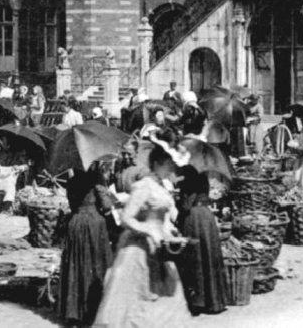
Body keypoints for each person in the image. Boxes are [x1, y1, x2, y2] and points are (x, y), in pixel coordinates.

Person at [94, 129, 192, 327]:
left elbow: (162, 217)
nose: (173, 167)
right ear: (159, 162)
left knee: (165, 301)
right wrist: (148, 230)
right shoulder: (144, 186)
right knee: (133, 304)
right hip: (137, 250)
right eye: (170, 162)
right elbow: (126, 218)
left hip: (159, 250)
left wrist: (170, 230)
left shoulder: (161, 186)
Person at [59, 161, 115, 326]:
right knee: (95, 265)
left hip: (76, 222)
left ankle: (74, 311)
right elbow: (106, 206)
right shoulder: (96, 179)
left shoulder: (72, 181)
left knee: (76, 265)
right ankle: (92, 310)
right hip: (93, 224)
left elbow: (72, 205)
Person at [175, 166, 227, 315]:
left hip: (194, 218)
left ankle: (199, 301)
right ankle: (214, 300)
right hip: (206, 215)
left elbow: (186, 205)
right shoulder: (202, 176)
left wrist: (178, 199)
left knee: (195, 257)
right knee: (209, 255)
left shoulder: (189, 178)